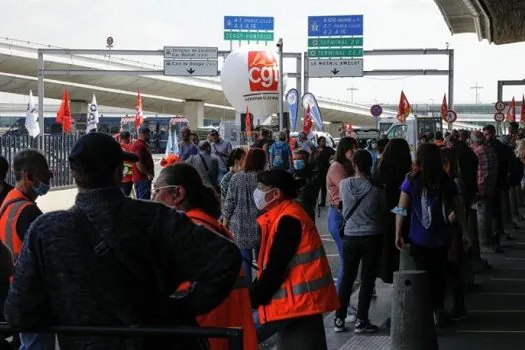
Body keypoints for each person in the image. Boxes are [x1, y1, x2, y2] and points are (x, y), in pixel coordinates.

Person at [5, 132, 242, 349]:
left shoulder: (45, 231)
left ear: (75, 174)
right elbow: (226, 258)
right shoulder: (156, 218)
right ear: (119, 172)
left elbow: (18, 313)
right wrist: (182, 308)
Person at [152, 164, 257, 350]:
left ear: (177, 194)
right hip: (224, 332)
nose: (153, 198)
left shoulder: (188, 231)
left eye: (157, 191)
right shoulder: (209, 227)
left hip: (204, 335)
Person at [250, 169, 339, 349]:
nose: (257, 191)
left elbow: (276, 267)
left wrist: (252, 298)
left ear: (275, 194)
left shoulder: (288, 219)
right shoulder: (282, 215)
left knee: (241, 335)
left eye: (261, 187)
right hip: (299, 302)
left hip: (295, 303)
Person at [394, 144, 470, 325]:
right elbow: (459, 207)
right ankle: (438, 307)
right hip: (442, 237)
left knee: (422, 275)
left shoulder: (411, 181)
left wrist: (397, 232)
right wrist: (465, 232)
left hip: (419, 237)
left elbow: (401, 209)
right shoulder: (446, 180)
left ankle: (426, 311)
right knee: (439, 272)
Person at [0, 150, 55, 349]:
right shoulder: (28, 212)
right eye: (46, 175)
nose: (49, 179)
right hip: (32, 296)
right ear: (29, 176)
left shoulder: (9, 201)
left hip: (15, 290)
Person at [334, 150, 384, 333]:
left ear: (354, 164)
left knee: (347, 277)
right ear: (370, 166)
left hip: (350, 236)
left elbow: (342, 206)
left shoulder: (344, 185)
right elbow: (380, 212)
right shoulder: (376, 190)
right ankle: (361, 320)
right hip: (372, 236)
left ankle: (339, 319)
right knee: (367, 279)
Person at [223, 148, 267, 284]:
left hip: (239, 226)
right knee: (263, 261)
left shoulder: (235, 178)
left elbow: (229, 203)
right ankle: (262, 289)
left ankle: (247, 295)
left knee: (244, 262)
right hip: (261, 226)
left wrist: (224, 225)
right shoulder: (265, 178)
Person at [376, 139, 412, 285]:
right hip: (404, 213)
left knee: (387, 248)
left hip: (386, 215)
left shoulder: (380, 170)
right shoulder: (408, 173)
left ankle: (388, 275)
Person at [440, 148, 468, 320]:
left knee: (452, 268)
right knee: (453, 269)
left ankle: (457, 306)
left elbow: (458, 209)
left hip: (450, 231)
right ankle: (457, 305)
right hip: (452, 230)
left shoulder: (453, 182)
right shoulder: (454, 181)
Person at [483, 124, 511, 250]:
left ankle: (493, 238)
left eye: (487, 134)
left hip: (492, 182)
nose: (485, 137)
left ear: (493, 134)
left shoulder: (489, 149)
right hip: (500, 181)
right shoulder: (504, 148)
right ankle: (497, 235)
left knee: (491, 210)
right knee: (496, 209)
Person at [471, 131, 498, 253]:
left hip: (481, 190)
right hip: (491, 187)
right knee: (488, 215)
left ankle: (484, 244)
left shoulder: (477, 152)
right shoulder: (490, 150)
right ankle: (488, 241)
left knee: (480, 216)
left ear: (474, 141)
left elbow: (480, 174)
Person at [292, 149, 320, 220]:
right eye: (294, 159)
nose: (296, 161)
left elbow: (313, 187)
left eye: (298, 159)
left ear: (306, 160)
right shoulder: (293, 172)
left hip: (306, 207)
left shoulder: (312, 171)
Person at [131, 125, 154, 199]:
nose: (149, 135)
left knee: (143, 200)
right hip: (142, 179)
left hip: (142, 179)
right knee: (144, 201)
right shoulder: (139, 145)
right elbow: (138, 163)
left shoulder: (142, 144)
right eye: (148, 133)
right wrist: (148, 174)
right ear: (143, 133)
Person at [315, 136, 335, 207]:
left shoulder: (328, 149)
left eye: (324, 141)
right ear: (319, 142)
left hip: (325, 170)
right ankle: (315, 201)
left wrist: (331, 159)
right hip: (317, 170)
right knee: (316, 187)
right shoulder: (316, 149)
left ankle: (323, 202)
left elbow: (335, 154)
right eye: (322, 141)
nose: (323, 142)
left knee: (323, 187)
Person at [118, 131, 134, 196]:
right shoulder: (132, 147)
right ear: (129, 138)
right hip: (128, 178)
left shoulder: (115, 147)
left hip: (117, 178)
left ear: (120, 138)